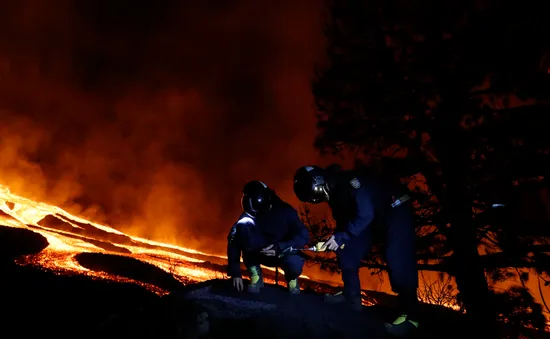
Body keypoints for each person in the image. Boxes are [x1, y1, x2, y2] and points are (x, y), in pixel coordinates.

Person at [293, 164, 419, 337]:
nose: (320, 199)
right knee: (346, 248)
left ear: (318, 183)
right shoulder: (333, 194)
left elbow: (366, 213)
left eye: (317, 196)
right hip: (373, 218)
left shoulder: (350, 182)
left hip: (394, 208)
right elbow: (345, 222)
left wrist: (342, 236)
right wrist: (336, 239)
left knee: (397, 257)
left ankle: (411, 316)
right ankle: (351, 297)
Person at [227, 180, 310, 295]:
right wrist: (235, 272)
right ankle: (255, 273)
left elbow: (303, 235)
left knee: (294, 263)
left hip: (283, 253)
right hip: (259, 253)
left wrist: (280, 246)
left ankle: (292, 278)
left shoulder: (286, 212)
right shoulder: (247, 217)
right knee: (244, 229)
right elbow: (233, 241)